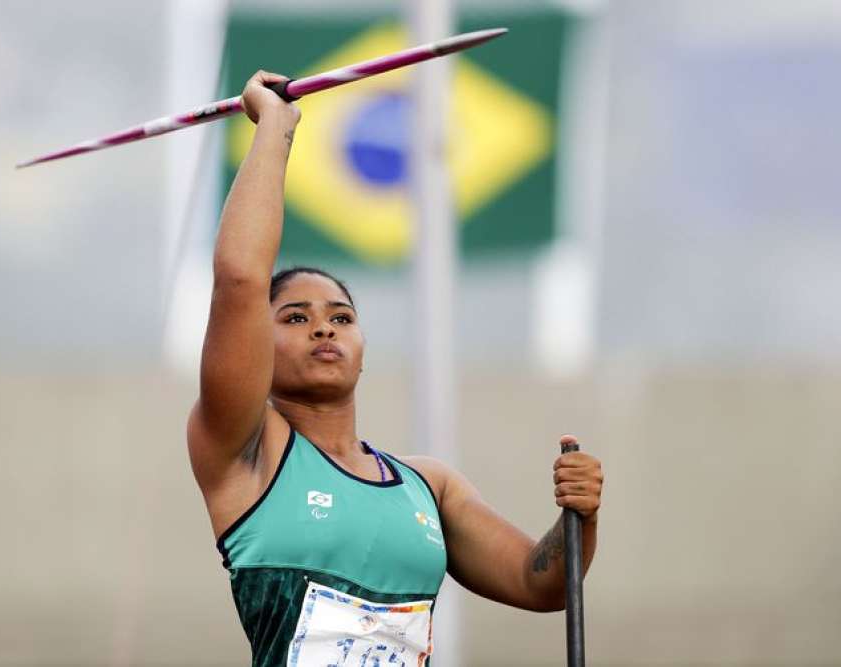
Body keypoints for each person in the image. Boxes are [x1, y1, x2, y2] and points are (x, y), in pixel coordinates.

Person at [186, 70, 604, 667]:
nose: (324, 328)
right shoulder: (245, 451)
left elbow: (541, 584)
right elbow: (241, 279)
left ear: (361, 345)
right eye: (296, 318)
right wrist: (275, 130)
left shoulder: (428, 485)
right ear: (257, 339)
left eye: (341, 317)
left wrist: (580, 518)